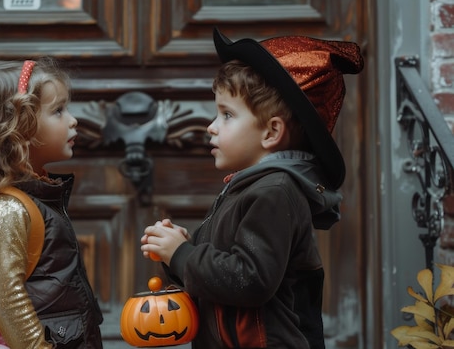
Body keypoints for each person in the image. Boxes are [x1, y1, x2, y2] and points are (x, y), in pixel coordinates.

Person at [140, 28, 364, 348]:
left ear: (271, 132)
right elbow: (220, 275)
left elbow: (250, 281)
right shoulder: (249, 187)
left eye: (227, 115)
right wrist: (180, 252)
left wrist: (183, 255)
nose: (211, 127)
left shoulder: (275, 191)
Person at [0, 57, 103, 349]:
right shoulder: (6, 209)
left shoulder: (39, 198)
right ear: (18, 127)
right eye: (58, 111)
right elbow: (6, 299)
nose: (73, 119)